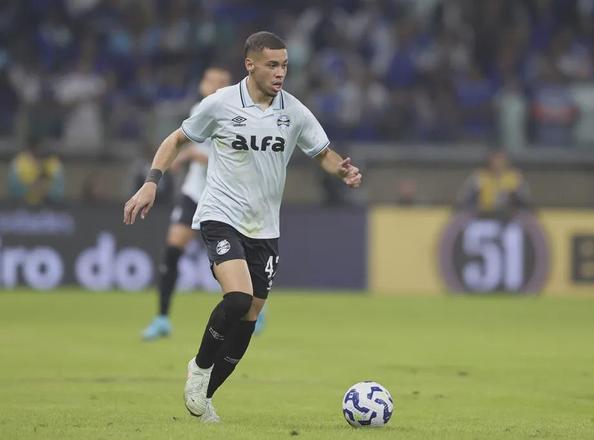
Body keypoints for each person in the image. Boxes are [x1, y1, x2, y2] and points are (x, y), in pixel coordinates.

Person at [123, 31, 362, 423]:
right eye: (272, 65)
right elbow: (176, 140)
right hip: (220, 215)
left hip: (265, 228)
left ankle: (206, 396)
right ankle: (199, 368)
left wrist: (344, 171)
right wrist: (151, 182)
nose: (280, 72)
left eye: (284, 65)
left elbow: (322, 152)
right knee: (237, 299)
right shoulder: (220, 104)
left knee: (249, 317)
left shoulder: (294, 112)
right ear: (250, 65)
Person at [141, 66, 232, 341]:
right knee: (172, 251)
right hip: (195, 192)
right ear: (202, 84)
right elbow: (186, 145)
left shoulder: (235, 115)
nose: (214, 86)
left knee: (230, 260)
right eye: (210, 80)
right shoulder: (198, 110)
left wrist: (191, 154)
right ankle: (162, 319)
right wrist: (184, 155)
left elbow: (227, 160)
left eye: (221, 82)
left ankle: (254, 310)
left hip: (223, 196)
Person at [457, 149, 530, 217]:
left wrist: (515, 197)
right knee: (461, 216)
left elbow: (525, 199)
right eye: (495, 158)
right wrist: (475, 198)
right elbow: (463, 198)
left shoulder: (514, 176)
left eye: (501, 159)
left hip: (509, 214)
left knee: (527, 217)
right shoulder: (479, 176)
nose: (497, 162)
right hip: (480, 213)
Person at [8, 136, 65, 206]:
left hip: (49, 206)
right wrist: (29, 188)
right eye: (38, 148)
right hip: (23, 206)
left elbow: (59, 191)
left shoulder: (53, 163)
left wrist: (46, 191)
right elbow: (13, 189)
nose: (40, 152)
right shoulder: (18, 162)